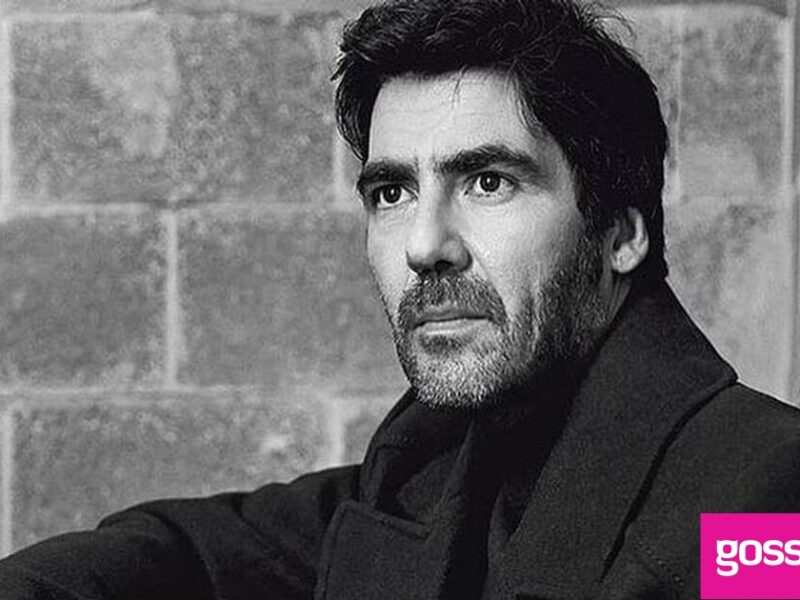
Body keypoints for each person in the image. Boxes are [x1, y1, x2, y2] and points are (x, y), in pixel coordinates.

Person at [2, 0, 800, 598]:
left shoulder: (763, 498)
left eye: (489, 182)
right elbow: (181, 554)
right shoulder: (426, 468)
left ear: (620, 234)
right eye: (392, 192)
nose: (424, 244)